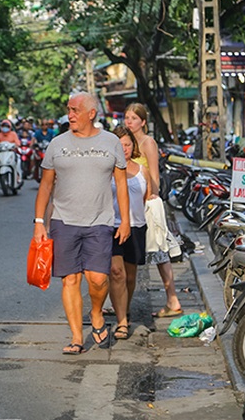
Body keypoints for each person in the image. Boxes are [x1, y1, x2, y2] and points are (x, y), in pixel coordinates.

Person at [34, 92, 130, 354]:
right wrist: (39, 222)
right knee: (70, 280)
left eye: (75, 110)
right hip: (63, 220)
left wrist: (126, 221)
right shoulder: (56, 144)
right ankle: (77, 337)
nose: (70, 115)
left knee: (98, 279)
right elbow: (45, 186)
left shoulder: (111, 142)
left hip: (100, 221)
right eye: (68, 109)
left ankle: (97, 314)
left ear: (91, 113)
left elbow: (121, 184)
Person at [124, 103, 183, 317]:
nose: (129, 121)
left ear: (143, 122)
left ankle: (172, 299)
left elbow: (154, 175)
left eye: (133, 118)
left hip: (147, 204)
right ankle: (122, 303)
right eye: (127, 117)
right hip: (128, 205)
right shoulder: (124, 142)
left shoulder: (148, 142)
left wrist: (150, 199)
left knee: (159, 250)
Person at [109, 126, 152, 341]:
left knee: (131, 276)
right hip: (112, 226)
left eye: (127, 144)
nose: (124, 148)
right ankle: (122, 321)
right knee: (117, 273)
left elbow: (147, 199)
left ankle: (124, 308)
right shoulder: (106, 170)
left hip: (136, 226)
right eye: (120, 145)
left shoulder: (142, 171)